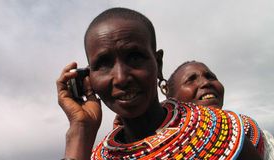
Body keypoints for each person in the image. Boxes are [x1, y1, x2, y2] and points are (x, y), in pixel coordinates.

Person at [57, 7, 261, 159]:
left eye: (135, 57)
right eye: (103, 64)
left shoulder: (216, 131)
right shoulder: (95, 155)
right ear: (88, 78)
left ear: (158, 63)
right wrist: (80, 130)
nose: (121, 77)